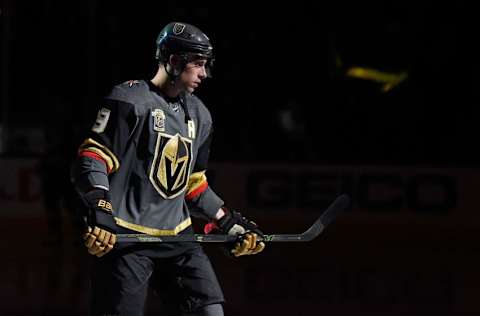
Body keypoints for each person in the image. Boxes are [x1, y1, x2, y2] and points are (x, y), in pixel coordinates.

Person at [71, 22, 265, 316]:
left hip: (178, 238)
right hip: (128, 239)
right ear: (174, 61)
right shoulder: (129, 100)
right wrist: (100, 208)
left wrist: (226, 221)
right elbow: (92, 158)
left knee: (210, 313)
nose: (204, 73)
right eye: (198, 64)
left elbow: (193, 184)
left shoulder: (201, 114)